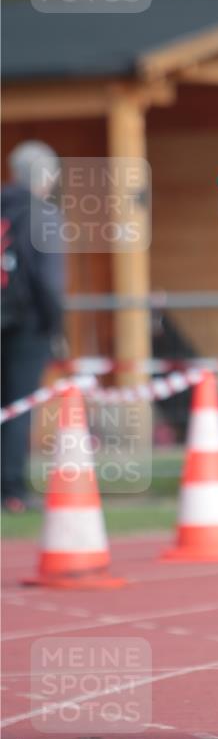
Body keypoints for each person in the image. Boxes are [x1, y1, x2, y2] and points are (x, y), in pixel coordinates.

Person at [1, 141, 65, 513]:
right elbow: (48, 280)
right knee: (18, 405)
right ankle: (11, 491)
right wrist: (55, 326)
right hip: (27, 323)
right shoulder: (44, 214)